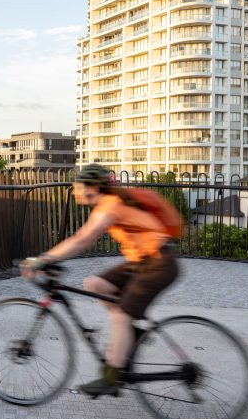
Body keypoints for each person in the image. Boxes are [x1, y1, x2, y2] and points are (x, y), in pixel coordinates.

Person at [21, 163, 179, 398]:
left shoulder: (111, 205)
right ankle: (129, 334)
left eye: (77, 187)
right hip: (142, 262)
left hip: (159, 264)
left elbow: (83, 239)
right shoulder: (107, 204)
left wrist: (43, 259)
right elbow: (82, 238)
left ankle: (111, 378)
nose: (74, 191)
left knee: (124, 314)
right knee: (96, 285)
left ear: (92, 188)